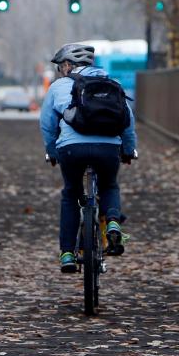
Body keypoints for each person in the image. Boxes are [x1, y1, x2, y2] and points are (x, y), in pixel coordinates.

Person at [39, 43, 138, 273]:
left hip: (72, 149)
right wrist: (128, 149)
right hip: (108, 147)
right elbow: (127, 121)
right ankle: (113, 222)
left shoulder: (59, 86)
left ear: (67, 65)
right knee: (109, 185)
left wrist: (52, 150)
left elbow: (47, 124)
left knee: (71, 193)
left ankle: (66, 254)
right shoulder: (112, 84)